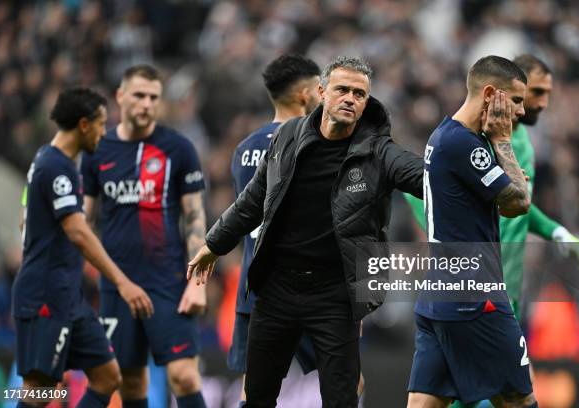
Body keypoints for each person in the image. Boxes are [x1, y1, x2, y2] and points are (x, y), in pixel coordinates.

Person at [188, 56, 424, 407]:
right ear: (321, 92)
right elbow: (253, 200)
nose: (350, 99)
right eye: (342, 89)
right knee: (257, 396)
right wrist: (213, 244)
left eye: (359, 94)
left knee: (341, 398)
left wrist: (482, 180)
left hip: (336, 295)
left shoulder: (378, 152)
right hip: (277, 288)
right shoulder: (287, 137)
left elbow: (427, 178)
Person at [229, 53, 360, 406]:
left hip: (255, 287)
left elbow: (243, 215)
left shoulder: (245, 150)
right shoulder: (321, 147)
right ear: (306, 94)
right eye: (321, 88)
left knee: (254, 387)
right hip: (310, 284)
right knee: (350, 382)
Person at [407, 56, 537, 408]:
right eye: (517, 99)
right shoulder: (466, 144)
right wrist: (504, 142)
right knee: (519, 400)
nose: (521, 112)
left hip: (439, 292)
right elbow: (518, 203)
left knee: (424, 401)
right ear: (491, 94)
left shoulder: (446, 135)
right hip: (475, 297)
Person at [12, 88, 154, 408]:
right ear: (83, 125)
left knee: (107, 376)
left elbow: (25, 217)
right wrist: (122, 282)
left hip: (67, 296)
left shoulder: (52, 162)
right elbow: (77, 231)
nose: (104, 133)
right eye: (101, 124)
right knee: (39, 391)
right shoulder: (54, 167)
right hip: (45, 295)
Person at [81, 65, 208, 408]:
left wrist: (198, 281)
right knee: (131, 381)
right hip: (117, 283)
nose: (146, 104)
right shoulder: (96, 151)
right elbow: (83, 221)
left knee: (184, 374)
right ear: (120, 97)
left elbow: (195, 217)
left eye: (153, 97)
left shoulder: (178, 149)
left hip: (167, 282)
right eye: (139, 95)